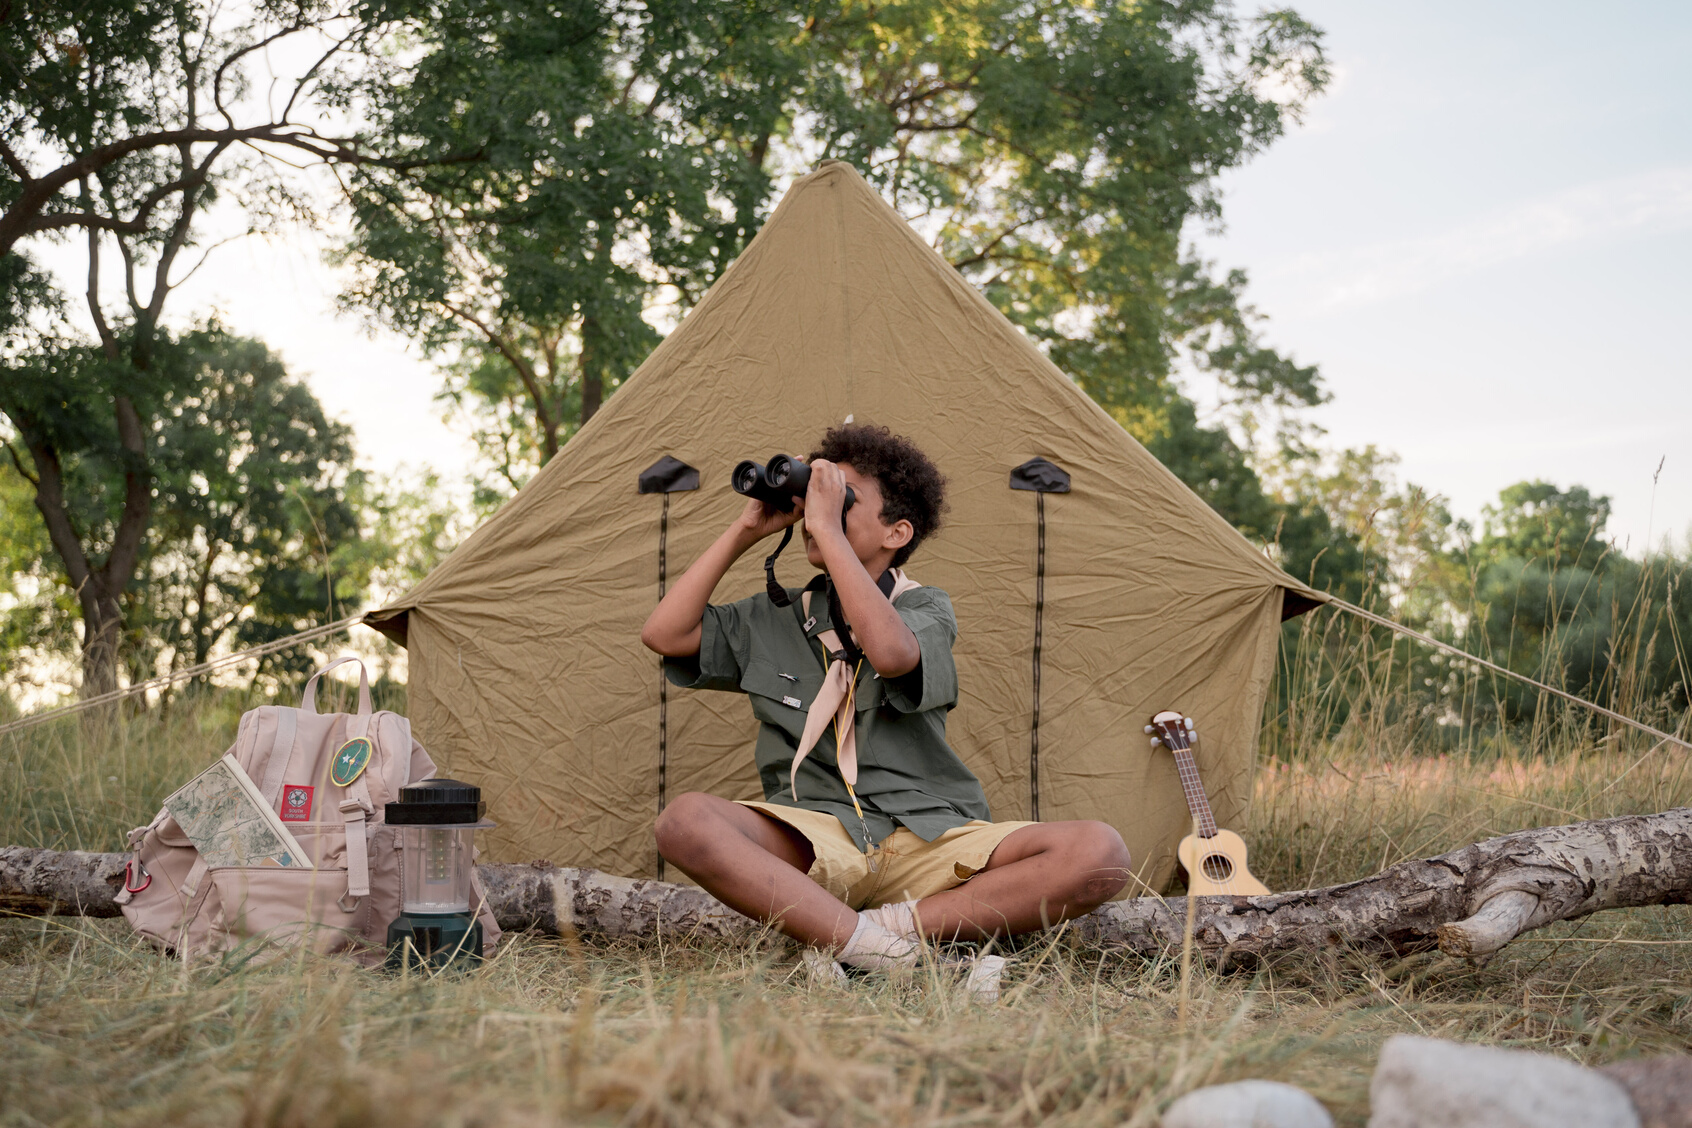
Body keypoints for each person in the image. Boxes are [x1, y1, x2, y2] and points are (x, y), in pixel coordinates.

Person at [641, 423, 1130, 985]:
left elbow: (893, 655)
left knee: (1100, 849)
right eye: (817, 494)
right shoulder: (774, 616)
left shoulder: (925, 607)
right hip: (822, 832)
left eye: (843, 497)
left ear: (897, 531)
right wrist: (745, 529)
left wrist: (826, 525)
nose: (819, 510)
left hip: (931, 835)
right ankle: (897, 957)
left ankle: (869, 936)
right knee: (684, 821)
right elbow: (665, 635)